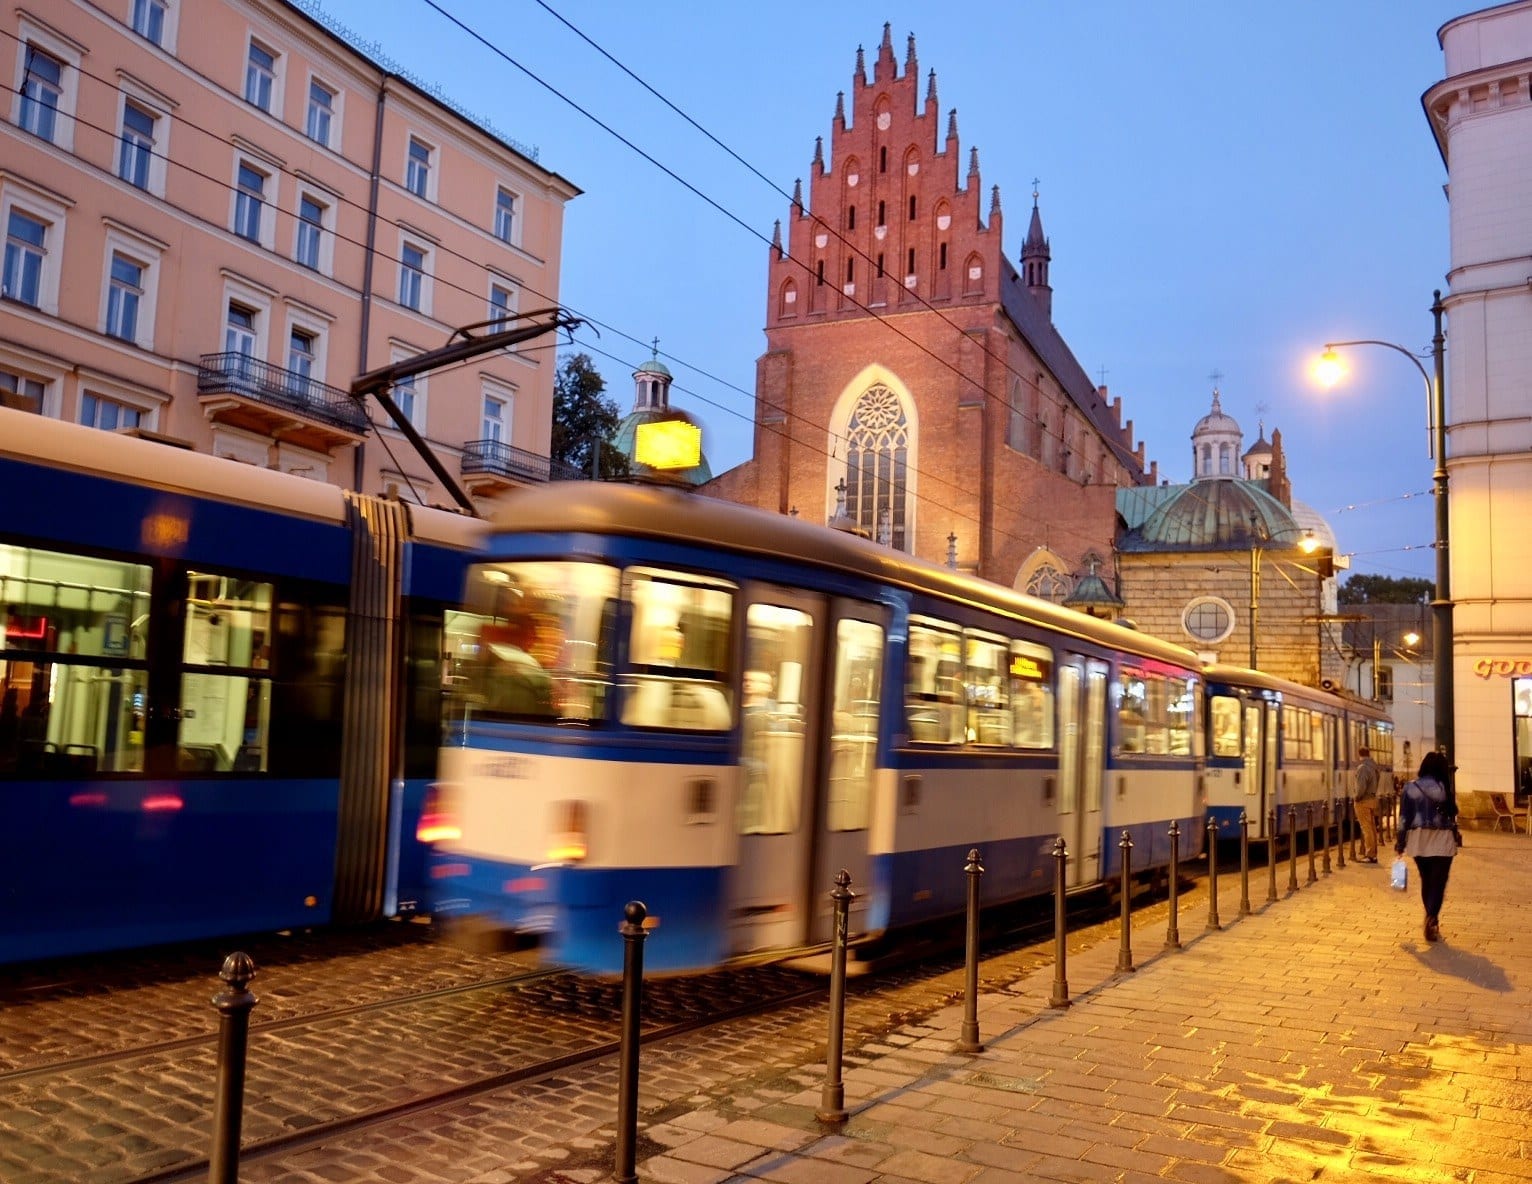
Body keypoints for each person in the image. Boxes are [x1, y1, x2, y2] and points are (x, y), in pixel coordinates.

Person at [1394, 750, 1459, 943]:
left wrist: (1400, 842)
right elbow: (1452, 813)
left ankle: (1432, 918)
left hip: (1418, 840)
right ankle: (1431, 916)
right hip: (1442, 839)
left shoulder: (1410, 787)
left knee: (1426, 880)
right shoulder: (1444, 787)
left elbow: (1403, 819)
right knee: (1439, 883)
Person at [1353, 745, 1381, 862]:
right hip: (1372, 799)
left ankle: (1370, 855)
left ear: (1359, 754)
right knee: (1371, 828)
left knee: (1366, 828)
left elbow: (1360, 788)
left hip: (1363, 801)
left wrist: (1356, 797)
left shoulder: (1362, 768)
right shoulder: (1374, 767)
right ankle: (1373, 854)